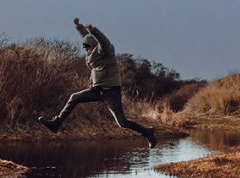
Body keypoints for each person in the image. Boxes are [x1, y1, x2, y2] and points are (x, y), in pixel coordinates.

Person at [38, 18, 157, 148]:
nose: (86, 50)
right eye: (85, 48)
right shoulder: (91, 51)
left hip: (111, 92)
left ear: (94, 45)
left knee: (122, 122)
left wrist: (94, 31)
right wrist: (79, 26)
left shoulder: (105, 50)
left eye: (88, 47)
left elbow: (103, 41)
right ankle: (56, 123)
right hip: (97, 90)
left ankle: (147, 132)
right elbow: (86, 37)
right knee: (74, 97)